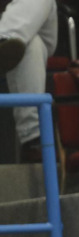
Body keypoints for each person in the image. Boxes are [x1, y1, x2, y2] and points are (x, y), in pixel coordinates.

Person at [0, 0, 56, 161]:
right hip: (24, 28)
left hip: (29, 14)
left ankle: (5, 37)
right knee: (31, 44)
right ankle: (32, 139)